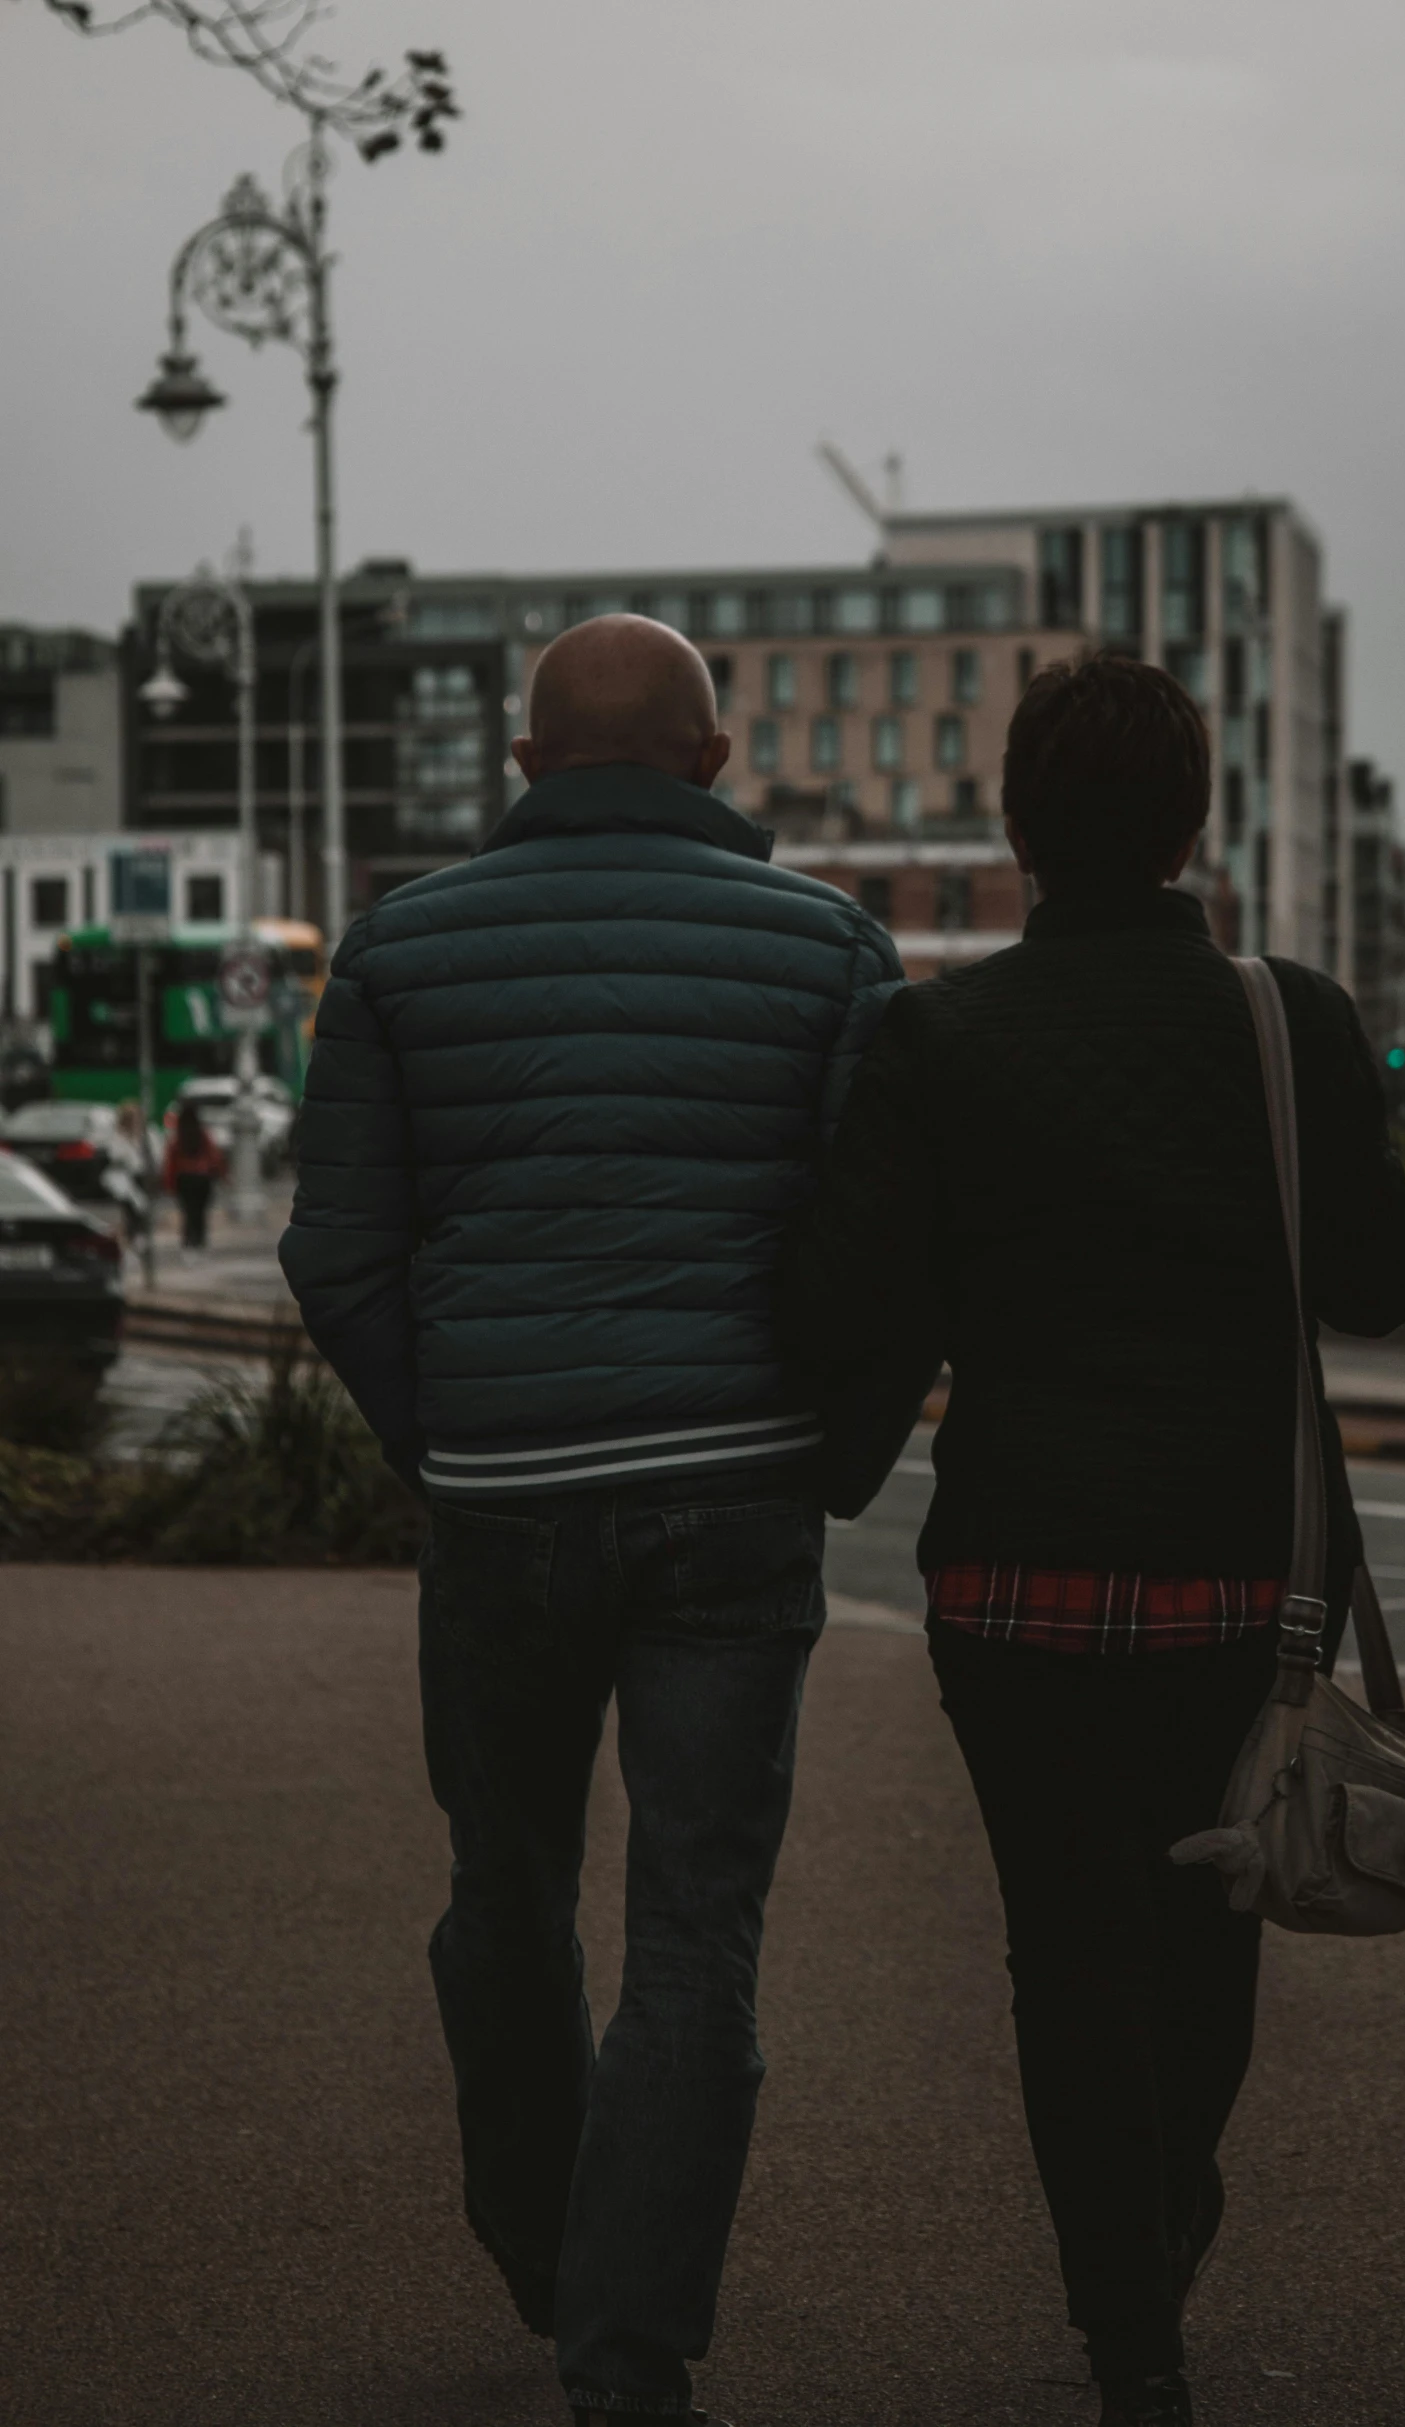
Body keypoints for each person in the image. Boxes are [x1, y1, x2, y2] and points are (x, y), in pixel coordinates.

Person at [782, 654, 1405, 2427]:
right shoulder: (1285, 1017)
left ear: (1013, 827)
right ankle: (1167, 2209)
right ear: (1192, 823)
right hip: (1243, 1577)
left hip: (1018, 1576)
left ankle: (1125, 2325)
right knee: (1207, 1925)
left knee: (1060, 1943)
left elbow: (858, 1306)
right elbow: (1376, 1286)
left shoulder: (940, 1033)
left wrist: (818, 1462)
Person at [279, 614, 901, 2426]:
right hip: (732, 1499)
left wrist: (449, 1437)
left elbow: (337, 1250)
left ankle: (543, 2236)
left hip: (500, 1503)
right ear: (714, 764)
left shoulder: (397, 948)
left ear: (528, 769)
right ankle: (626, 2353)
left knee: (505, 1888)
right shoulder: (832, 947)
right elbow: (880, 1262)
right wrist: (817, 1455)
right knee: (697, 1930)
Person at [163, 1099, 226, 1251]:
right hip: (202, 1178)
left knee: (188, 1211)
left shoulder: (178, 1137)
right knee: (200, 1211)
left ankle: (189, 1240)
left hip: (184, 1178)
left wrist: (169, 1183)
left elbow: (171, 1161)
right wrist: (221, 1174)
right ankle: (200, 1239)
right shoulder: (202, 1134)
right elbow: (214, 1156)